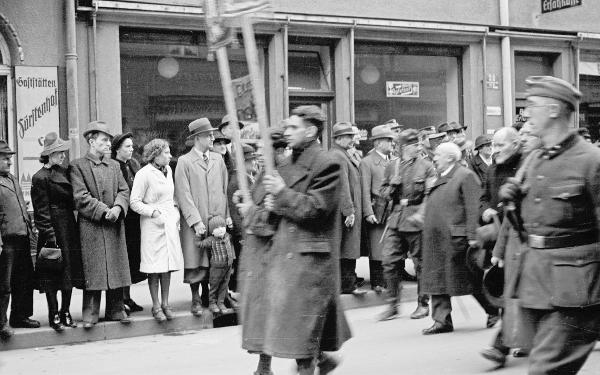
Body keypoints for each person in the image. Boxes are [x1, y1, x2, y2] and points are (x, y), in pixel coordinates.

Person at [499, 76, 600, 375]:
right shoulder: (535, 159)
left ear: (554, 110)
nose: (526, 114)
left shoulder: (591, 161)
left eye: (532, 106)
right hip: (534, 282)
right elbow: (537, 223)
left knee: (545, 370)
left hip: (577, 289)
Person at [241, 105, 351, 375]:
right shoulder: (287, 165)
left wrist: (280, 194)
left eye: (293, 127)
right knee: (295, 332)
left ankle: (307, 365)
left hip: (310, 263)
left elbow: (316, 209)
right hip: (282, 256)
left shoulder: (330, 163)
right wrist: (261, 208)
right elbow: (275, 213)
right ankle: (275, 367)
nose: (287, 132)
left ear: (311, 131)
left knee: (302, 341)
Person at [421, 142, 500, 335]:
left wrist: (473, 236)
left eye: (438, 155)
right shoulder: (441, 177)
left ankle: (493, 311)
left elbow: (473, 208)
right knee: (436, 280)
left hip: (457, 240)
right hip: (436, 240)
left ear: (450, 157)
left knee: (471, 281)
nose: (434, 158)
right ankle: (442, 321)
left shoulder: (465, 175)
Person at [70, 121, 132, 328]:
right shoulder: (78, 166)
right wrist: (104, 211)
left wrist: (117, 208)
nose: (108, 144)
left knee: (115, 266)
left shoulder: (115, 166)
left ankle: (116, 309)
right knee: (93, 270)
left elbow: (124, 191)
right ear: (91, 141)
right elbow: (80, 197)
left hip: (114, 224)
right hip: (92, 227)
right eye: (104, 140)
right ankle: (90, 313)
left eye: (109, 141)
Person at [174, 118, 231, 317]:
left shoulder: (218, 159)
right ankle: (196, 298)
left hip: (216, 220)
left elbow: (224, 190)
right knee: (195, 258)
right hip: (195, 221)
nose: (213, 138)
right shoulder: (184, 161)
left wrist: (226, 216)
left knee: (216, 259)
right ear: (198, 138)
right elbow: (183, 194)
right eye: (209, 135)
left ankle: (211, 296)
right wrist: (195, 221)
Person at [378, 129, 436, 321]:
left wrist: (422, 213)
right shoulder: (391, 166)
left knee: (420, 263)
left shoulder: (427, 166)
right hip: (396, 218)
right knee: (389, 262)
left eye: (418, 144)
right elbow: (383, 194)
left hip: (416, 218)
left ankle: (422, 304)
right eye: (413, 145)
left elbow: (430, 194)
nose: (418, 148)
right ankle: (392, 305)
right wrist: (392, 186)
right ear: (403, 147)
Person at [31, 133, 83, 331]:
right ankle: (53, 313)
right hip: (52, 230)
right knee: (52, 273)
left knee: (67, 271)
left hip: (68, 227)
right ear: (49, 154)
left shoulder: (65, 172)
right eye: (59, 152)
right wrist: (50, 236)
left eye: (63, 152)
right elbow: (41, 211)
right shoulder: (39, 178)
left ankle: (66, 311)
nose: (63, 156)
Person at [130, 139, 184, 323]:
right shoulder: (143, 174)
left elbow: (171, 197)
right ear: (156, 155)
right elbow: (134, 202)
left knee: (167, 266)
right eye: (167, 152)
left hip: (168, 222)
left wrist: (175, 214)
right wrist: (152, 212)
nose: (170, 156)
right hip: (152, 225)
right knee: (154, 267)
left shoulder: (168, 171)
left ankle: (166, 303)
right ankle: (155, 305)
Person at [0, 140, 40, 339]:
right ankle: (1, 322)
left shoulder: (12, 179)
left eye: (10, 158)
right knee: (4, 284)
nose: (9, 162)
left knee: (23, 279)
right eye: (5, 158)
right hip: (5, 240)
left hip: (22, 237)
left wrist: (30, 227)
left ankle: (20, 316)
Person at [111, 133, 145, 314]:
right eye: (127, 147)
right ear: (117, 149)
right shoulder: (112, 166)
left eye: (132, 146)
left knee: (132, 257)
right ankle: (121, 298)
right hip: (121, 217)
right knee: (122, 258)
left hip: (135, 218)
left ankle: (128, 296)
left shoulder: (134, 165)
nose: (131, 149)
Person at [329, 122, 364, 295]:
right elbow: (342, 185)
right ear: (339, 138)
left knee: (348, 247)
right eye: (349, 136)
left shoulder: (341, 154)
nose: (352, 139)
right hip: (345, 211)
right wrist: (349, 211)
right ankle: (347, 285)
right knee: (347, 248)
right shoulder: (338, 155)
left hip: (349, 209)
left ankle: (348, 283)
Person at [360, 124, 395, 292]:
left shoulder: (392, 161)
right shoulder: (367, 162)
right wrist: (368, 212)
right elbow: (364, 190)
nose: (391, 144)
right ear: (379, 143)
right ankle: (378, 282)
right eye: (389, 141)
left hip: (390, 210)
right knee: (376, 247)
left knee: (388, 246)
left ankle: (386, 281)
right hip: (377, 209)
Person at [480, 127, 521, 224]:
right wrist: (485, 210)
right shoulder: (491, 170)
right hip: (495, 231)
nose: (496, 150)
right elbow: (483, 198)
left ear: (515, 145)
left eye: (501, 145)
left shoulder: (523, 168)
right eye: (495, 146)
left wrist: (498, 214)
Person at [196, 216, 236, 315]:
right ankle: (212, 303)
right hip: (216, 268)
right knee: (214, 286)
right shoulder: (211, 240)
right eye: (217, 228)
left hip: (228, 266)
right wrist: (198, 235)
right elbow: (199, 244)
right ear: (212, 232)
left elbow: (234, 235)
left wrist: (230, 226)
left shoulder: (228, 236)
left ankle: (221, 303)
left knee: (224, 286)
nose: (221, 229)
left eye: (222, 226)